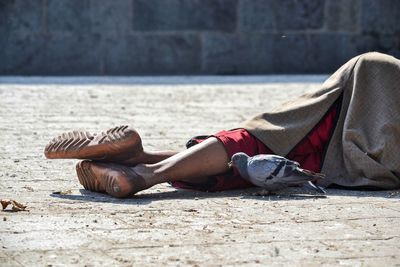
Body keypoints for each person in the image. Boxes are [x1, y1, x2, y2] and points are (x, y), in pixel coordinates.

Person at [44, 52, 400, 198]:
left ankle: (142, 167)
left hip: (382, 90)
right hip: (384, 122)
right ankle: (143, 169)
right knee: (282, 148)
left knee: (273, 141)